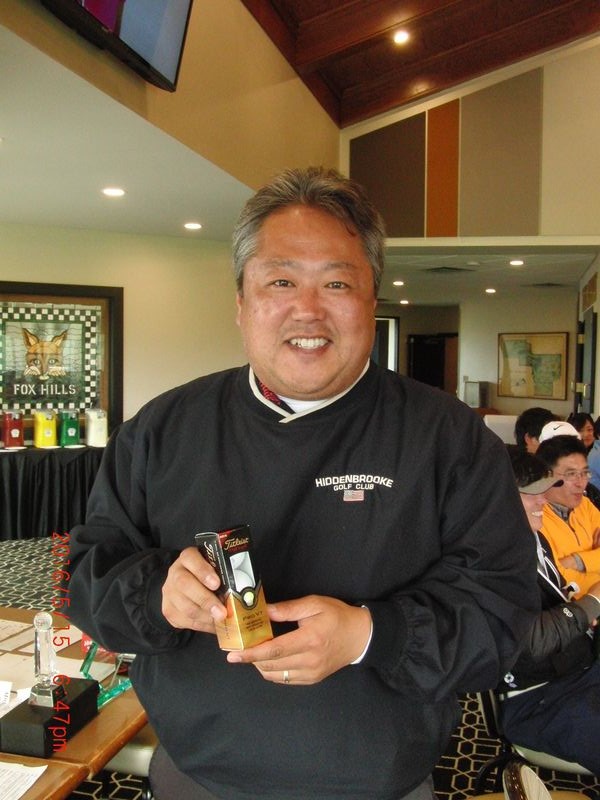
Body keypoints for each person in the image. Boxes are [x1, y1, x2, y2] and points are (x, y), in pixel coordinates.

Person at [65, 166, 539, 800]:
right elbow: (89, 578)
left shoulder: (449, 437)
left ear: (372, 300)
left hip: (379, 785)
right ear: (241, 303)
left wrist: (371, 635)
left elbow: (502, 616)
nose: (308, 310)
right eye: (281, 281)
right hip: (197, 777)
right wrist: (159, 597)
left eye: (337, 283)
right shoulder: (162, 429)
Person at [497, 450, 600, 774]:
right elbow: (533, 640)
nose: (543, 501)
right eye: (531, 494)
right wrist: (592, 602)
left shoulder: (534, 538)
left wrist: (579, 605)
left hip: (576, 671)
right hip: (536, 698)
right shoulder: (491, 559)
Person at [537, 431, 600, 597]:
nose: (581, 483)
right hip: (574, 610)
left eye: (584, 473)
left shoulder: (585, 505)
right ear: (546, 475)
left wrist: (577, 561)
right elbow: (560, 582)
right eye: (571, 474)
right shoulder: (535, 516)